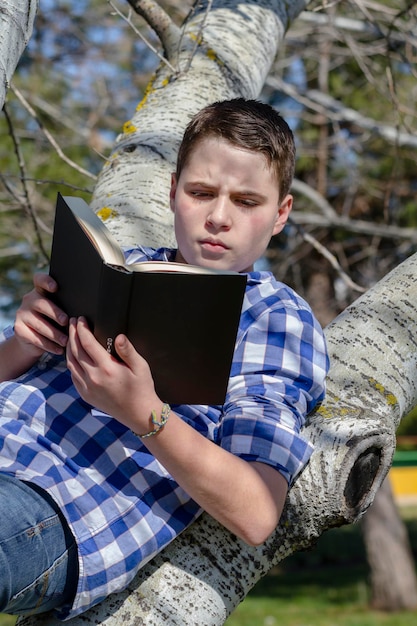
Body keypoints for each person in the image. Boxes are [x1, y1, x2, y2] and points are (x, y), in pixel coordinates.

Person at [0, 98, 329, 620]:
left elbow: (257, 511)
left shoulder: (274, 318)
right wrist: (25, 340)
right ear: (173, 190)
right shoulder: (123, 268)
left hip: (55, 501)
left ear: (281, 214)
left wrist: (143, 414)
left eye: (247, 201)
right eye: (201, 193)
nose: (219, 218)